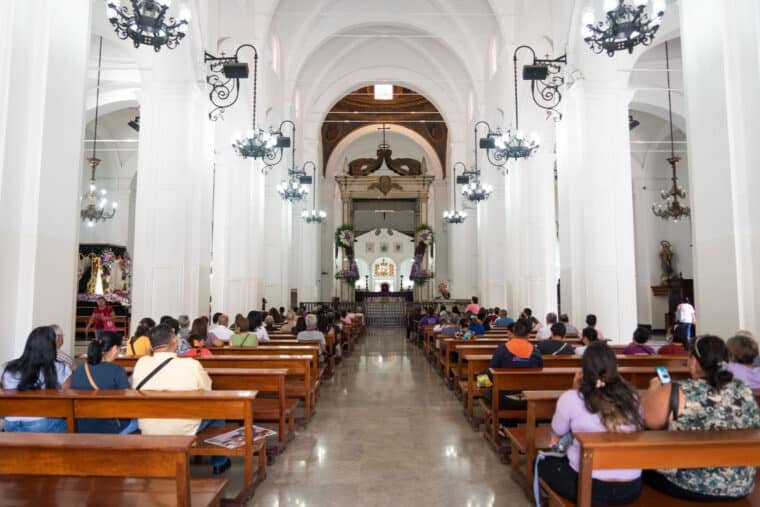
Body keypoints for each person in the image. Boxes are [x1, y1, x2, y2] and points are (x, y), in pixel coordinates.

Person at [642, 335, 760, 501]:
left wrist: (655, 387)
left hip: (691, 484)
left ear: (694, 362)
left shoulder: (679, 390)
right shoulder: (743, 389)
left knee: (641, 465)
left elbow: (649, 420)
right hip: (741, 484)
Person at [538, 341, 644, 505]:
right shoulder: (632, 397)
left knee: (541, 463)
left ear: (583, 370)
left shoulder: (572, 398)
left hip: (589, 486)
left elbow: (557, 431)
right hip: (630, 488)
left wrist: (574, 391)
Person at [132, 324, 231, 474]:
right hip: (183, 428)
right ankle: (219, 461)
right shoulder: (191, 364)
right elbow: (207, 391)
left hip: (149, 426)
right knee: (218, 412)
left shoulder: (141, 363)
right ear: (174, 341)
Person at [2, 326, 71, 432]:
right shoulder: (59, 368)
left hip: (11, 423)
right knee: (71, 425)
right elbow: (68, 394)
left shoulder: (10, 368)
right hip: (42, 423)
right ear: (51, 346)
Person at [483, 319, 543, 430]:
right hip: (529, 398)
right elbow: (539, 372)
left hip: (505, 399)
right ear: (529, 334)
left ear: (513, 332)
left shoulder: (502, 349)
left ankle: (504, 425)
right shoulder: (535, 352)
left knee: (482, 380)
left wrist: (483, 384)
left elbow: (491, 372)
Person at [71, 331, 135, 434]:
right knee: (139, 421)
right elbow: (126, 403)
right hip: (110, 427)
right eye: (119, 349)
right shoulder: (117, 370)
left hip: (81, 426)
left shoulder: (79, 368)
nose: (119, 352)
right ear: (114, 348)